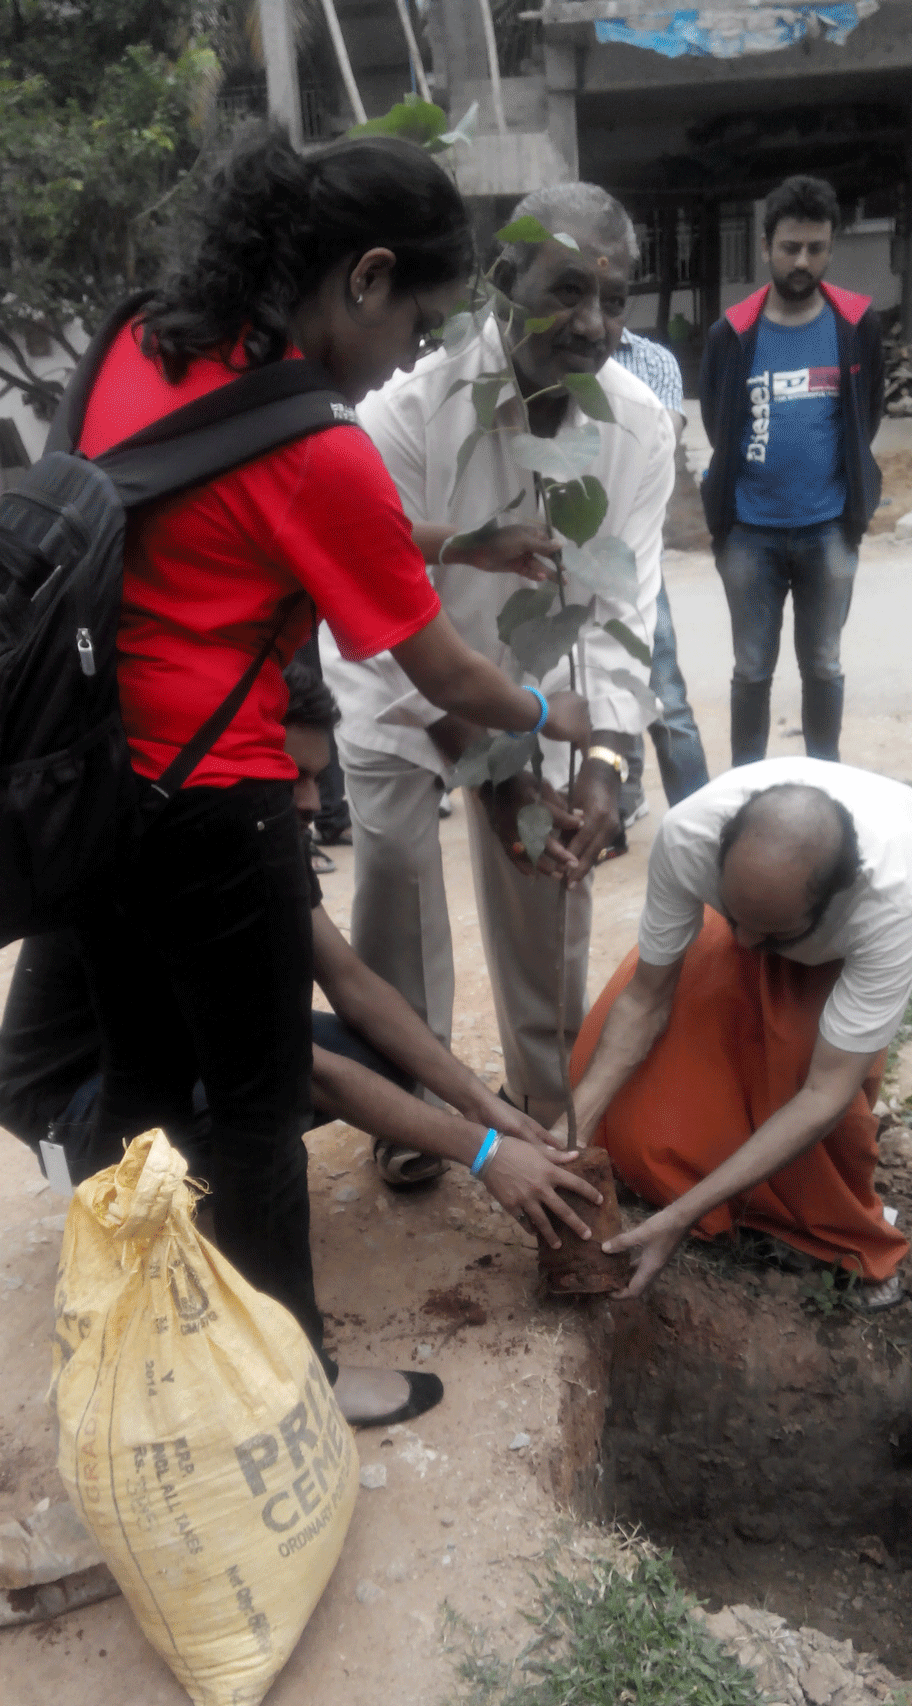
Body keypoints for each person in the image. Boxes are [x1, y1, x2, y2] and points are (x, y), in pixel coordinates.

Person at [66, 127, 591, 1422]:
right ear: (366, 277)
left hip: (94, 785)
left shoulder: (145, 340)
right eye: (415, 320)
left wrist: (458, 540)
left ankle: (154, 1337)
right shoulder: (320, 446)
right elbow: (446, 672)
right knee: (254, 1109)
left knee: (143, 1090)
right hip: (215, 800)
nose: (409, 356)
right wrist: (551, 708)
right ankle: (294, 1378)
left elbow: (239, 507)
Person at [0, 664, 600, 1267]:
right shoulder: (182, 847)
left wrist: (482, 1104)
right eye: (295, 777)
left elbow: (352, 983)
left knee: (387, 1057)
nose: (313, 801)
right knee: (266, 1088)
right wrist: (486, 1153)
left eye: (318, 777)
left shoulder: (260, 833)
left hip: (174, 1051)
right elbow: (298, 1067)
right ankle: (175, 1205)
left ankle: (224, 1173)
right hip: (72, 1104)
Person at [324, 180, 675, 1136]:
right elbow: (378, 607)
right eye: (567, 290)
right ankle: (410, 1109)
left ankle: (546, 1098)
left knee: (548, 868)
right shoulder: (409, 409)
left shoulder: (639, 424)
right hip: (398, 673)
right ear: (501, 279)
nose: (594, 324)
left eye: (614, 299)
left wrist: (605, 758)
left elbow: (620, 605)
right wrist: (487, 769)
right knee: (395, 874)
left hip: (536, 689)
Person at [562, 761, 912, 1307]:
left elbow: (824, 1092)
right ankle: (725, 1187)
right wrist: (571, 1133)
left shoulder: (894, 905)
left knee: (796, 1068)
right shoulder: (689, 836)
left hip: (895, 912)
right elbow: (644, 1000)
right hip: (771, 904)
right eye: (733, 918)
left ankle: (840, 1242)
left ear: (838, 899)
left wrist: (682, 1217)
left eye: (773, 935)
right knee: (618, 1056)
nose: (746, 944)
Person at [699, 175, 885, 767]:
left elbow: (867, 414)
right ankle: (747, 786)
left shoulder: (856, 325)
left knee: (824, 664)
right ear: (765, 248)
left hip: (829, 526)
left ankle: (824, 780)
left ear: (830, 248)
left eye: (815, 248)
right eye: (790, 247)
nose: (802, 261)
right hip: (748, 531)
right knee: (752, 668)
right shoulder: (732, 333)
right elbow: (716, 422)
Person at [611, 326, 708, 831]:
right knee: (595, 691)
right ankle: (621, 802)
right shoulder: (545, 354)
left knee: (665, 698)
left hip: (634, 556)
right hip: (557, 556)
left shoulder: (652, 360)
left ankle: (700, 823)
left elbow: (660, 446)